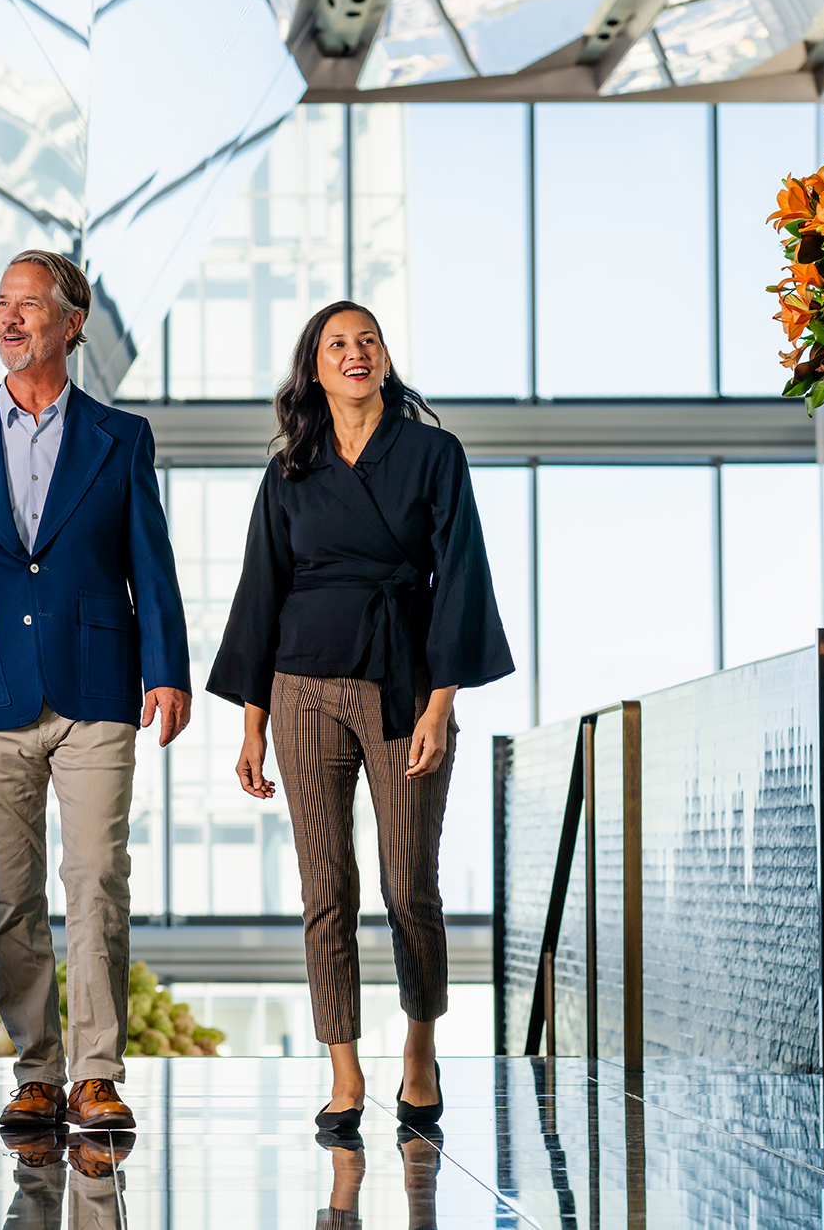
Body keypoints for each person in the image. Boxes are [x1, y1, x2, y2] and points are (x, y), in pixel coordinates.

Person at [0, 250, 191, 1135]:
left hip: (97, 682)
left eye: (29, 305)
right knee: (9, 892)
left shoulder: (120, 438)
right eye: (1, 305)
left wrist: (166, 666)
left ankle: (95, 1074)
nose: (10, 319)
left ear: (71, 321)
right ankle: (36, 1072)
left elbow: (149, 564)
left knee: (96, 878)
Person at [207, 301, 512, 1133]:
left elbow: (462, 576)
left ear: (383, 357)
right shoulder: (288, 470)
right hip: (300, 684)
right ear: (313, 367)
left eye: (366, 340)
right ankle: (344, 1074)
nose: (354, 352)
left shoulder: (432, 454)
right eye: (336, 343)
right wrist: (251, 721)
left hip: (402, 685)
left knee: (408, 883)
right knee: (324, 888)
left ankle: (418, 1052)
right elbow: (259, 593)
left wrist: (441, 703)